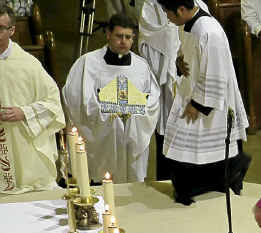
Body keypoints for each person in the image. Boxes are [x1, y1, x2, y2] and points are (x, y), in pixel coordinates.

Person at [157, 0, 250, 205]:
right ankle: (191, 189)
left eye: (168, 12)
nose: (167, 17)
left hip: (210, 101)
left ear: (181, 9)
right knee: (189, 148)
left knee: (206, 147)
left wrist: (199, 105)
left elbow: (216, 71)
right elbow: (189, 54)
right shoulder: (188, 25)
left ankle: (214, 185)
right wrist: (179, 62)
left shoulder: (209, 32)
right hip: (194, 90)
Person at [62, 13, 160, 183]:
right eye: (119, 36)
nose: (123, 41)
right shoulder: (88, 63)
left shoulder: (141, 66)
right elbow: (76, 98)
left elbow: (152, 101)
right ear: (108, 34)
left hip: (132, 132)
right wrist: (108, 114)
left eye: (128, 37)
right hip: (102, 135)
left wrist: (135, 114)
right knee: (102, 178)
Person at [139, 0, 209, 180]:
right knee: (168, 137)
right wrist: (170, 44)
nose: (169, 18)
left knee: (193, 138)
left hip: (191, 83)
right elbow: (147, 43)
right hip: (166, 86)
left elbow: (204, 44)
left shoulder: (198, 4)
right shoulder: (151, 6)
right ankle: (167, 182)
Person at [0, 4, 64, 194]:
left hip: (21, 147)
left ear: (12, 30)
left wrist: (24, 112)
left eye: (0, 28)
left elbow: (53, 103)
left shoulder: (28, 64)